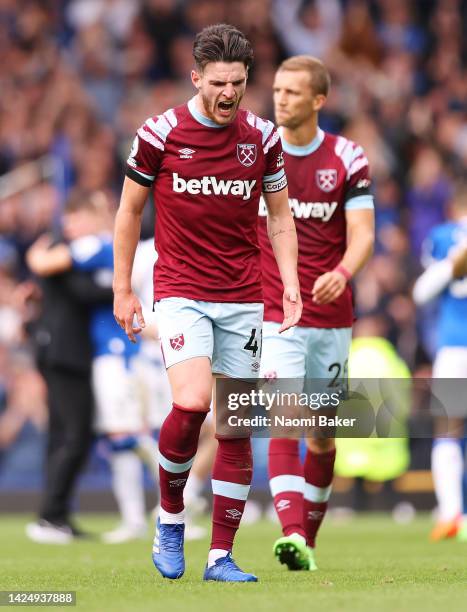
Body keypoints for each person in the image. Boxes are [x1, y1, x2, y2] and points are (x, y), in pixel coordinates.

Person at [113, 24, 301, 583]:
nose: (228, 93)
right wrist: (123, 288)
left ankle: (220, 556)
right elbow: (128, 213)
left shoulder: (263, 138)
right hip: (180, 290)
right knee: (194, 403)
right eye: (218, 82)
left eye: (238, 83)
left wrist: (289, 282)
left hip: (243, 294)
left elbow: (281, 217)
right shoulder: (160, 133)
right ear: (196, 77)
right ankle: (170, 518)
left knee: (235, 425)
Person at [258, 55, 374, 571]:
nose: (279, 98)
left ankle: (309, 539)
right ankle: (292, 534)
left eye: (291, 92)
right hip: (274, 308)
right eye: (277, 89)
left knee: (322, 433)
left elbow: (364, 233)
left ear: (318, 100)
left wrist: (344, 273)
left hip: (331, 314)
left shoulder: (347, 158)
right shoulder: (257, 150)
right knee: (284, 417)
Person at [27, 191, 160, 543]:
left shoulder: (96, 246)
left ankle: (170, 504)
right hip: (96, 356)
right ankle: (162, 507)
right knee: (102, 435)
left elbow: (46, 264)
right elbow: (62, 276)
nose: (69, 226)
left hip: (109, 356)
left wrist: (36, 255)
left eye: (75, 218)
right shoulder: (99, 252)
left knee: (113, 435)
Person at [24, 205, 114, 544]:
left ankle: (54, 515)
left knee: (62, 436)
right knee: (77, 435)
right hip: (66, 354)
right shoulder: (62, 252)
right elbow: (86, 292)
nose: (76, 223)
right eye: (75, 216)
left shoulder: (59, 252)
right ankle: (51, 515)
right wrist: (122, 287)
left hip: (59, 351)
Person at [413, 181, 467, 542]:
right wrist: (455, 264)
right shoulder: (449, 237)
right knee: (449, 429)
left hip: (455, 349)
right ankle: (450, 515)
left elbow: (421, 292)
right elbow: (423, 292)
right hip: (455, 347)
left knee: (449, 430)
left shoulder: (444, 236)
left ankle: (450, 514)